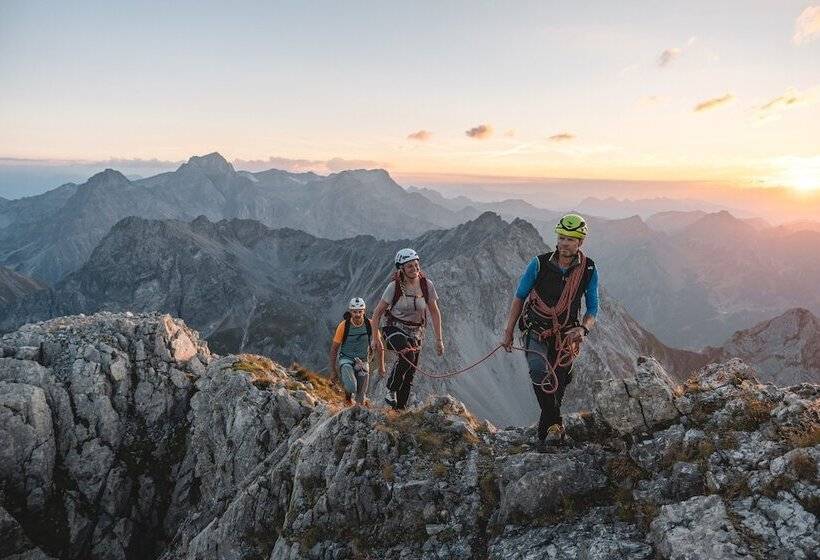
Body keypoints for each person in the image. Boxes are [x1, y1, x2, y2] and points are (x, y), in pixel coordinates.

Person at [500, 213, 599, 448]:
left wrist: (584, 329)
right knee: (538, 371)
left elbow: (593, 308)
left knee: (558, 386)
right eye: (562, 238)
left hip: (566, 336)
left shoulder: (588, 270)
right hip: (536, 330)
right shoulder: (539, 264)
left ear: (580, 243)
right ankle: (556, 424)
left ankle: (546, 434)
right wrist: (508, 331)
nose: (564, 243)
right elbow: (520, 297)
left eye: (570, 239)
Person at [371, 248, 445, 410]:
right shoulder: (394, 287)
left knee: (410, 372)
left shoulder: (427, 285)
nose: (415, 268)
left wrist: (439, 340)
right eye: (410, 266)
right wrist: (375, 339)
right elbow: (376, 314)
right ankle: (391, 389)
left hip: (416, 331)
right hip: (393, 327)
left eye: (416, 265)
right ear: (401, 269)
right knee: (408, 354)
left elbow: (434, 312)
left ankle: (399, 410)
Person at [330, 297, 384, 406]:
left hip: (363, 361)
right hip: (346, 359)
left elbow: (379, 345)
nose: (357, 314)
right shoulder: (343, 326)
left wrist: (381, 366)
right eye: (355, 312)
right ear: (350, 312)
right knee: (351, 386)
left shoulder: (370, 325)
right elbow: (334, 348)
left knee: (360, 400)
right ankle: (347, 399)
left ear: (364, 311)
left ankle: (356, 411)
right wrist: (333, 371)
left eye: (360, 311)